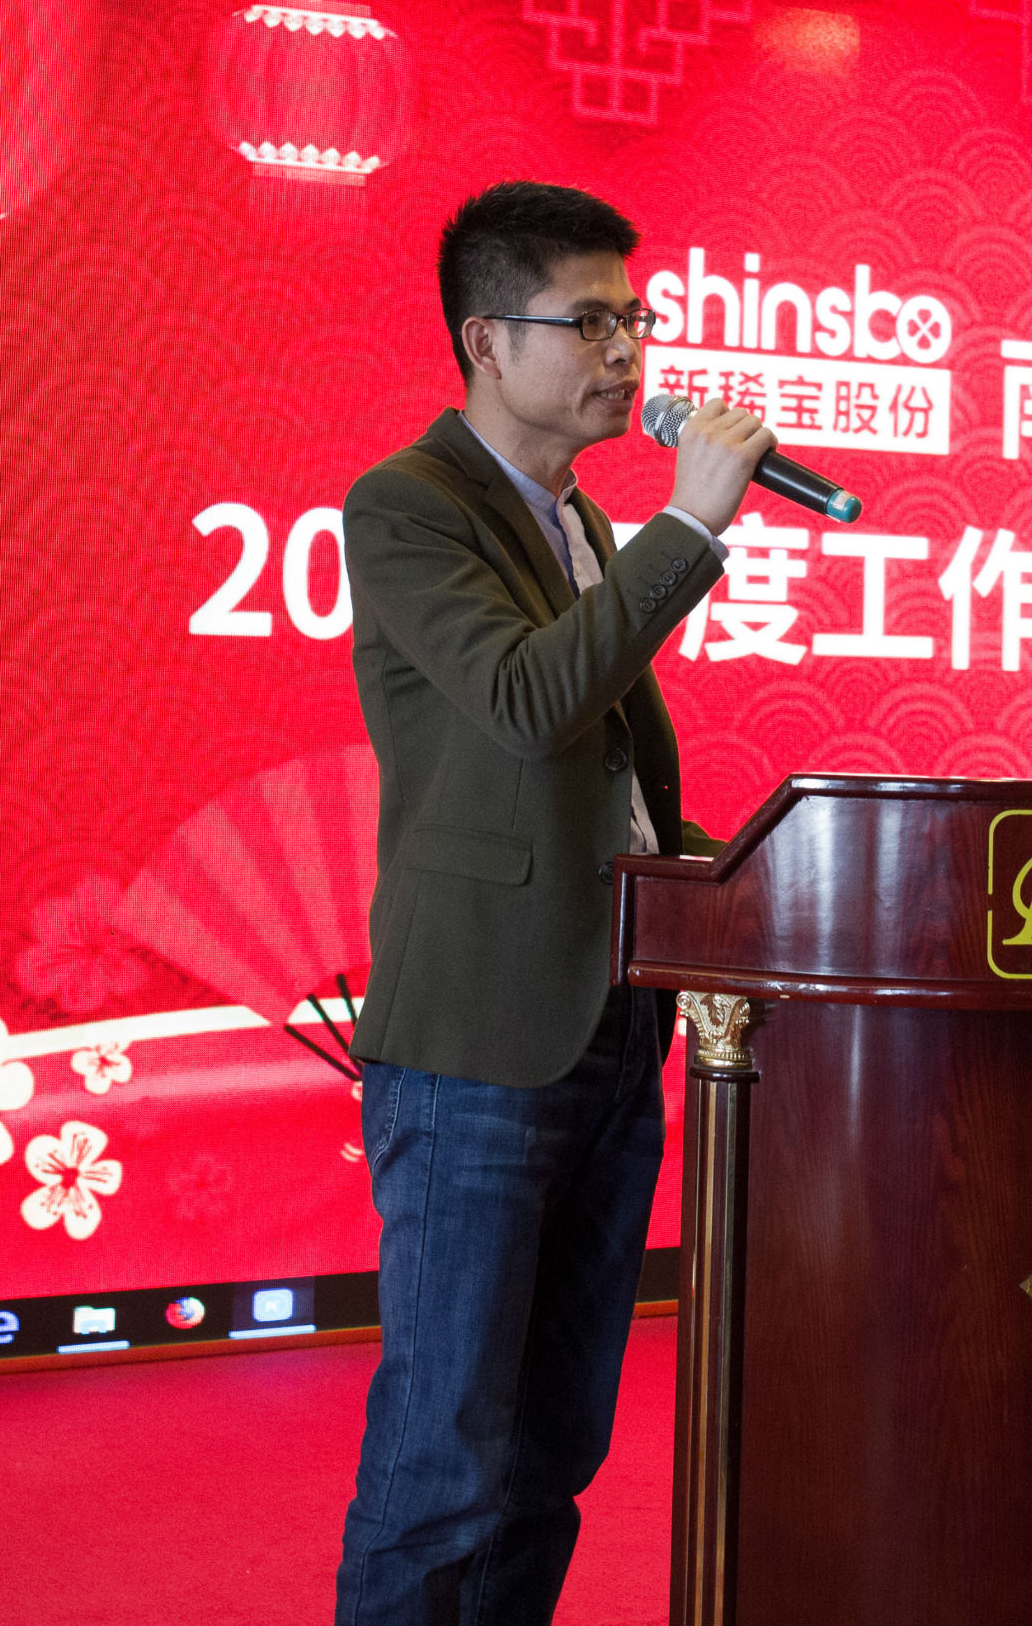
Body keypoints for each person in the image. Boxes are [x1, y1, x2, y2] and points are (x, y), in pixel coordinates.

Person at [333, 180, 775, 1626]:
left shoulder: (578, 516)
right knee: (445, 1456)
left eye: (633, 317)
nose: (627, 351)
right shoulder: (409, 505)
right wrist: (691, 526)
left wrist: (756, 871)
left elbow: (606, 785)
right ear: (486, 339)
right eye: (587, 321)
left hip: (611, 1027)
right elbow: (529, 702)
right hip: (478, 1041)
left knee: (550, 1452)